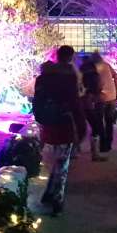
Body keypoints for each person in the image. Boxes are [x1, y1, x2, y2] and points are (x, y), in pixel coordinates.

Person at [33, 47, 84, 213]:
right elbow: (75, 104)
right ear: (70, 58)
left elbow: (36, 101)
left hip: (47, 124)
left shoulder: (43, 77)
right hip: (64, 124)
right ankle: (57, 198)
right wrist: (81, 127)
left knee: (50, 161)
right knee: (62, 162)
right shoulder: (69, 78)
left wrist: (41, 119)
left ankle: (48, 193)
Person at [91, 51, 117, 153]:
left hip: (100, 98)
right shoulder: (106, 65)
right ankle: (108, 144)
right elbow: (116, 77)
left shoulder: (92, 68)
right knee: (109, 121)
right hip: (111, 97)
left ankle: (103, 144)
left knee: (99, 121)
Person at [79, 55, 107, 162]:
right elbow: (98, 86)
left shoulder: (80, 73)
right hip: (94, 101)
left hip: (85, 102)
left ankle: (78, 150)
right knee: (97, 126)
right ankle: (95, 153)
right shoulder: (94, 74)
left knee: (87, 126)